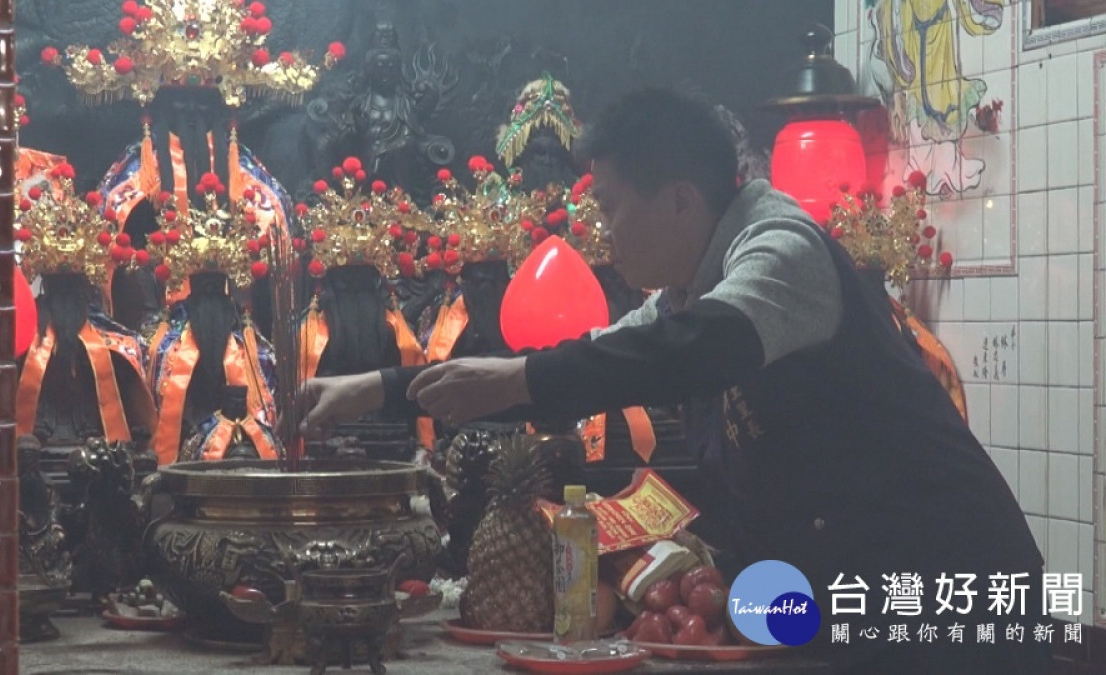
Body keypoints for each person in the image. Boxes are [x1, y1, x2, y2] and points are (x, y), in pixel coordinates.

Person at [295, 88, 1047, 673]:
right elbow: (593, 358)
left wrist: (515, 376)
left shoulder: (780, 249)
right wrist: (378, 387)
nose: (603, 234)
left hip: (952, 599)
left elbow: (698, 349)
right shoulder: (688, 293)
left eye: (611, 208)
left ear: (681, 199)